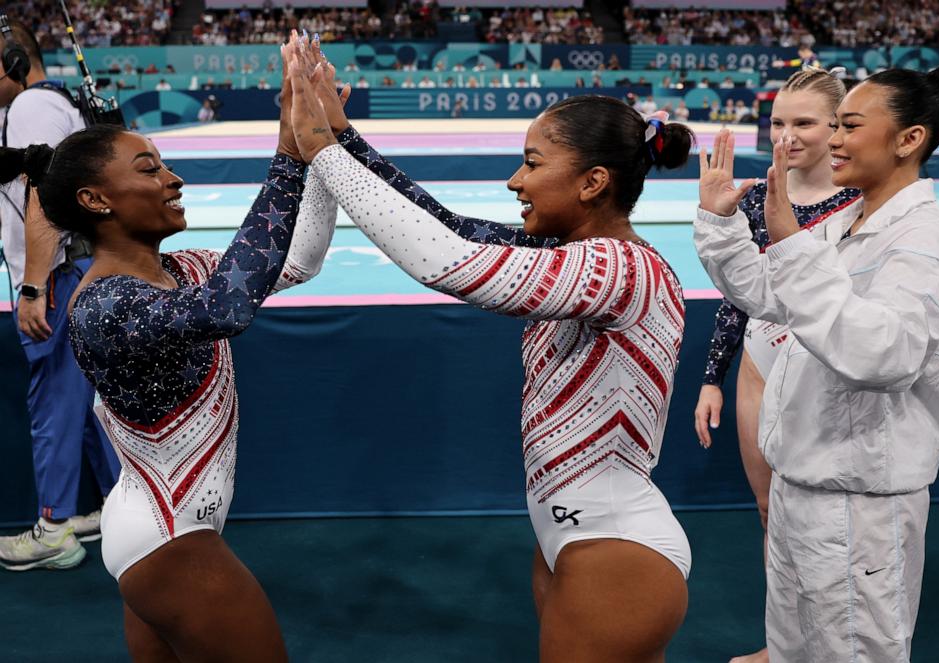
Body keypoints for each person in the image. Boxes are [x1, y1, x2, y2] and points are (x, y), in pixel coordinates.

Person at [291, 43, 693, 662]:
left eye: (532, 163)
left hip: (615, 544)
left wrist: (318, 151)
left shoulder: (618, 268)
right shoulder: (570, 254)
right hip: (577, 533)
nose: (515, 181)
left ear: (593, 182)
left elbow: (445, 260)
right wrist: (345, 140)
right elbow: (449, 226)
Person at [0, 40, 338, 659]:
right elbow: (228, 309)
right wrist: (289, 155)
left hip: (162, 523)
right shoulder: (105, 305)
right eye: (149, 169)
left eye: (164, 164)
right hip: (168, 536)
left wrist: (326, 152)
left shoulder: (185, 269)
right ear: (95, 200)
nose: (174, 179)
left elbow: (300, 259)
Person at [694, 58, 939, 661]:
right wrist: (723, 225)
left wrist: (795, 246)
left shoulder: (927, 239)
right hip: (802, 483)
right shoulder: (851, 224)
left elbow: (881, 355)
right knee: (793, 648)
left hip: (860, 504)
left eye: (849, 125)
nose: (833, 139)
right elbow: (766, 298)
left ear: (909, 140)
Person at [692, 68, 861, 663]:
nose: (787, 136)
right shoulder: (760, 198)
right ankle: (782, 645)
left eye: (804, 123)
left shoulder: (861, 203)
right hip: (758, 372)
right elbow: (743, 293)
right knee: (771, 516)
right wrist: (714, 375)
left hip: (822, 371)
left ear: (839, 128)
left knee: (823, 520)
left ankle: (832, 644)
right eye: (778, 123)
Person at [0, 15, 120, 571]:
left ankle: (53, 529)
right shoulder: (45, 104)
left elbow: (44, 198)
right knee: (86, 402)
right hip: (74, 271)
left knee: (54, 402)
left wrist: (32, 286)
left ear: (12, 63)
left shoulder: (29, 107)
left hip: (58, 276)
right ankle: (118, 507)